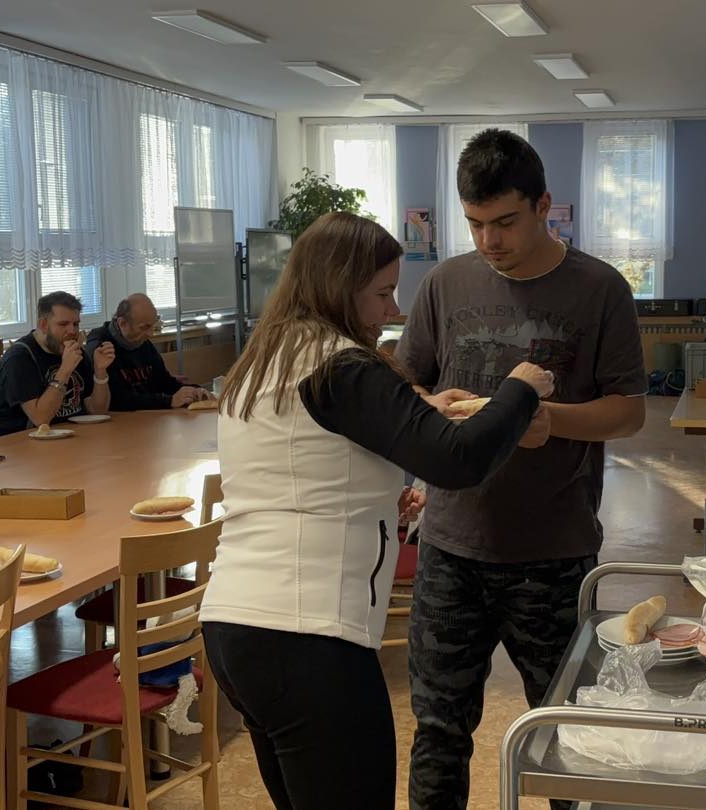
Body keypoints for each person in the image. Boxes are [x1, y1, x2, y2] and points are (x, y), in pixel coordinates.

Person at [200, 211, 554, 810]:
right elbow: (460, 460)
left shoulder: (268, 357)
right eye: (381, 293)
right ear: (338, 288)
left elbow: (303, 463)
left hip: (236, 628)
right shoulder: (342, 365)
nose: (393, 310)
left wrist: (385, 479)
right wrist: (520, 389)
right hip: (308, 636)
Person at [394, 128, 648, 810]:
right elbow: (405, 385)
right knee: (438, 730)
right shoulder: (444, 283)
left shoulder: (599, 288)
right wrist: (430, 406)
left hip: (554, 552)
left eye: (505, 222)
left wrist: (549, 419)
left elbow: (629, 411)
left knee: (571, 734)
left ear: (543, 205)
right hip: (451, 547)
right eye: (475, 224)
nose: (489, 241)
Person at [0, 291, 114, 439]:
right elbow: (41, 419)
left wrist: (100, 371)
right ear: (43, 325)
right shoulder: (18, 359)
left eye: (76, 324)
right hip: (8, 441)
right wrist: (65, 370)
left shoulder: (73, 351)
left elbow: (97, 411)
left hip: (60, 437)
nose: (73, 331)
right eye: (63, 324)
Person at [85, 293, 210, 410]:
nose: (150, 334)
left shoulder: (142, 341)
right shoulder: (101, 346)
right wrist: (169, 401)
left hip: (149, 416)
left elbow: (164, 381)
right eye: (145, 327)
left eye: (152, 325)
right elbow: (118, 399)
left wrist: (194, 391)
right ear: (122, 323)